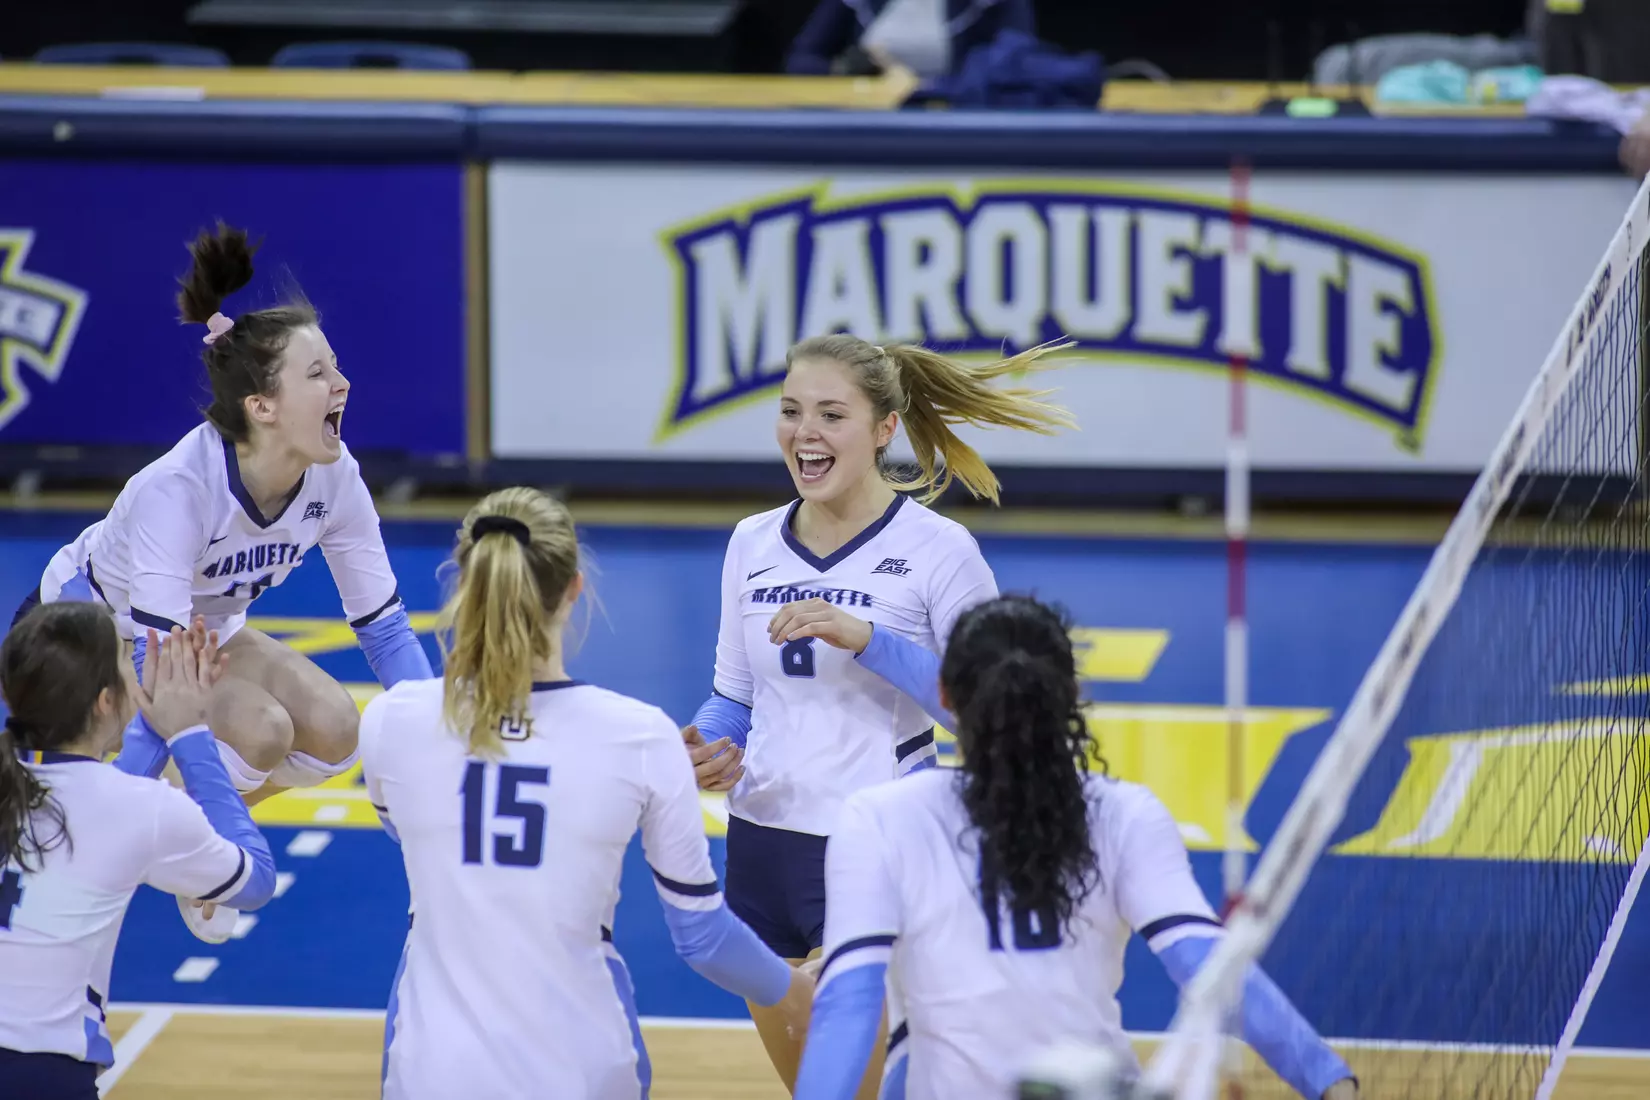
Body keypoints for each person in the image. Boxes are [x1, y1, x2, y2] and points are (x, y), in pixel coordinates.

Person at [10, 222, 433, 942]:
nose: (342, 384)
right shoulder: (179, 488)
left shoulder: (336, 477)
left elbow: (387, 629)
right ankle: (154, 842)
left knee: (339, 731)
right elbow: (160, 671)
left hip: (199, 634)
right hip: (87, 631)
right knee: (262, 731)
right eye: (318, 374)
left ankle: (196, 838)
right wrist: (116, 825)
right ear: (261, 407)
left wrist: (440, 749)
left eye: (335, 367)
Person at [680, 333, 1075, 1095]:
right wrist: (710, 744)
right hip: (761, 846)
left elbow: (997, 716)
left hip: (874, 844)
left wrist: (869, 640)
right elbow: (734, 693)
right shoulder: (751, 541)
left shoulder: (940, 549)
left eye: (832, 415)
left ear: (885, 429)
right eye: (792, 411)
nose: (805, 433)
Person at [791, 594, 1359, 1100]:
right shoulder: (1125, 813)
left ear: (944, 696)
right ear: (1072, 695)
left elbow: (849, 1003)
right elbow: (1210, 967)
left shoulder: (879, 817)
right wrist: (1328, 1079)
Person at [359, 487, 816, 1100]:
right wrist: (800, 992)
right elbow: (704, 939)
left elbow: (419, 838)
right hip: (583, 1070)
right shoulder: (638, 737)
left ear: (465, 580)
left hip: (430, 1070)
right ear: (575, 589)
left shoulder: (391, 722)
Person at [0, 606, 277, 1100]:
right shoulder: (141, 809)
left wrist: (156, 725)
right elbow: (254, 880)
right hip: (40, 1071)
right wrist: (192, 737)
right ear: (106, 701)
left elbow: (93, 804)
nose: (136, 664)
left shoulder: (49, 788)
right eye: (126, 657)